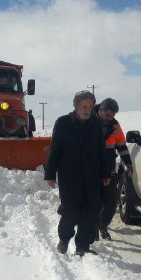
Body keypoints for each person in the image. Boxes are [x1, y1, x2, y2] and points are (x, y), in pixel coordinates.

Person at [45, 91, 111, 256]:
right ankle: (64, 239)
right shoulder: (63, 123)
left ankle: (83, 246)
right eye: (84, 106)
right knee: (70, 210)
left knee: (90, 211)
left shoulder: (95, 125)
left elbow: (101, 151)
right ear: (76, 106)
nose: (87, 110)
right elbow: (55, 150)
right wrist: (50, 173)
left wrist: (105, 173)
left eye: (90, 107)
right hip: (69, 176)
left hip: (91, 176)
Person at [94, 98, 134, 240]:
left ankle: (102, 224)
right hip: (92, 168)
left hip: (109, 167)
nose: (111, 118)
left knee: (111, 202)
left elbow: (121, 146)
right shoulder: (88, 121)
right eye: (108, 115)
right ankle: (92, 228)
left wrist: (128, 164)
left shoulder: (115, 126)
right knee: (94, 201)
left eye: (113, 116)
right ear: (100, 110)